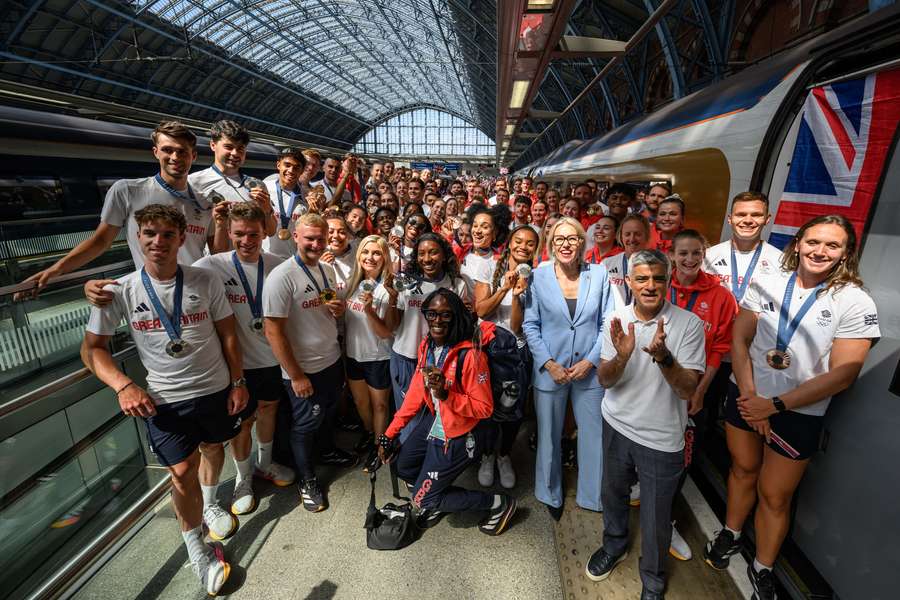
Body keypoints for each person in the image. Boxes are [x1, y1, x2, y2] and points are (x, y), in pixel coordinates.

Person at [703, 215, 879, 600]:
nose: (820, 251)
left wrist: (774, 405)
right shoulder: (768, 282)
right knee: (743, 469)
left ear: (846, 252)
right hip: (747, 397)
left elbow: (843, 375)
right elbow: (740, 337)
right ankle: (731, 533)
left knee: (775, 495)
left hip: (798, 412)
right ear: (797, 243)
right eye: (813, 242)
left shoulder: (853, 300)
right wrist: (750, 397)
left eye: (832, 245)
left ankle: (763, 566)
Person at [81, 204, 248, 595]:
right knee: (180, 472)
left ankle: (210, 505)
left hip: (215, 389)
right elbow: (92, 351)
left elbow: (227, 335)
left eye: (167, 235)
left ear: (181, 238)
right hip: (164, 400)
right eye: (150, 234)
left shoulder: (204, 281)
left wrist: (238, 382)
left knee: (212, 449)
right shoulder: (119, 291)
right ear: (138, 237)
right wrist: (124, 385)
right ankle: (198, 550)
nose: (158, 242)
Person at [589, 249, 705, 600]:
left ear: (668, 282)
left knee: (656, 517)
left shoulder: (688, 324)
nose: (650, 285)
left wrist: (663, 357)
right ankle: (614, 546)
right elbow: (605, 381)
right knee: (613, 494)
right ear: (629, 282)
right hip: (617, 425)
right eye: (642, 278)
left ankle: (652, 580)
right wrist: (623, 355)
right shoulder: (617, 320)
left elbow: (688, 389)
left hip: (662, 437)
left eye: (658, 278)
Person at [22, 121, 226, 299]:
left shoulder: (205, 201)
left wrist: (221, 223)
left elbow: (217, 254)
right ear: (156, 152)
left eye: (182, 151)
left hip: (200, 291)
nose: (175, 157)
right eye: (167, 150)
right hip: (154, 293)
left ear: (194, 155)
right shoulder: (127, 191)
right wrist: (55, 270)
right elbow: (101, 242)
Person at [380, 289, 517, 535]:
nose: (437, 321)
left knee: (421, 500)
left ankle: (498, 503)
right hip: (436, 422)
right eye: (432, 314)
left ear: (456, 317)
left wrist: (446, 395)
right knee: (404, 465)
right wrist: (389, 434)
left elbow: (484, 408)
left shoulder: (471, 356)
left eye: (446, 315)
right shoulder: (427, 346)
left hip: (459, 435)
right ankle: (435, 491)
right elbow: (414, 394)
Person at [193, 202, 296, 518]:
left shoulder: (280, 263)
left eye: (253, 233)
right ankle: (243, 480)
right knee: (243, 422)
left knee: (268, 411)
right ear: (229, 232)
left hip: (270, 359)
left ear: (264, 232)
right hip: (235, 365)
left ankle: (264, 465)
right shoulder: (210, 265)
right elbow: (168, 277)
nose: (247, 240)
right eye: (239, 234)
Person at [263, 213, 357, 513]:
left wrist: (336, 307)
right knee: (304, 425)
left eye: (320, 238)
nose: (316, 244)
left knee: (327, 413)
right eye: (309, 238)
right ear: (295, 237)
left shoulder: (325, 269)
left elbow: (327, 302)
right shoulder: (281, 276)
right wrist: (296, 375)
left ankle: (326, 450)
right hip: (303, 370)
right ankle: (307, 479)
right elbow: (273, 330)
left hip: (329, 360)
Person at [522, 217, 614, 520]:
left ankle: (592, 495)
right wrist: (548, 363)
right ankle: (550, 492)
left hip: (588, 370)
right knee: (548, 435)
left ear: (582, 243)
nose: (565, 244)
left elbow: (607, 323)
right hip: (551, 370)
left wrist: (591, 360)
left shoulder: (600, 275)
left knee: (593, 435)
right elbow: (530, 325)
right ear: (550, 245)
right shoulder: (538, 276)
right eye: (559, 239)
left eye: (572, 238)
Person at [665, 229, 738, 560]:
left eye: (696, 253)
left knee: (681, 458)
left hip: (693, 392)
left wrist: (700, 392)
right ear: (672, 254)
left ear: (704, 253)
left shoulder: (722, 297)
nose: (690, 260)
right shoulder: (661, 286)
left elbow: (718, 351)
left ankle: (666, 520)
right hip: (653, 389)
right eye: (683, 253)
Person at [385, 233, 470, 441]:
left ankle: (432, 463)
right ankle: (409, 461)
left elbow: (462, 325)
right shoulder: (405, 283)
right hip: (407, 358)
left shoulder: (456, 285)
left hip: (441, 362)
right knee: (409, 418)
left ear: (444, 255)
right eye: (421, 253)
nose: (427, 258)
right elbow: (392, 325)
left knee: (439, 413)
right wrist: (392, 298)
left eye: (433, 252)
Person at [474, 224, 539, 489]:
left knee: (513, 409)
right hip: (488, 347)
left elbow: (516, 327)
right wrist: (503, 288)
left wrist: (516, 296)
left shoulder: (539, 276)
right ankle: (487, 456)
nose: (523, 246)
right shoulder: (488, 267)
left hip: (517, 350)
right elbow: (480, 310)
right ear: (510, 242)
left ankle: (504, 456)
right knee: (487, 406)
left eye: (530, 243)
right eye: (519, 241)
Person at [343, 235, 396, 469]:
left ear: (385, 257)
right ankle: (368, 433)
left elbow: (385, 332)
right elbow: (337, 309)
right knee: (360, 403)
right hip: (353, 355)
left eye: (376, 253)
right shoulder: (352, 283)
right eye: (366, 252)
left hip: (378, 357)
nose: (370, 257)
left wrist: (369, 311)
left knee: (380, 406)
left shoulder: (388, 289)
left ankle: (380, 445)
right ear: (359, 255)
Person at [188, 120, 276, 238]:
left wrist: (267, 209)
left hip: (250, 254)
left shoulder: (258, 186)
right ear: (213, 145)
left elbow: (270, 232)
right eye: (228, 147)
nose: (235, 153)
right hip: (215, 255)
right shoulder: (194, 182)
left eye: (240, 149)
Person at [264, 147, 308, 260]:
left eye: (297, 167)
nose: (291, 170)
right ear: (278, 165)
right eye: (287, 165)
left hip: (292, 258)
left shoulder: (307, 196)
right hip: (265, 255)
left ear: (302, 171)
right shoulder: (264, 188)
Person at [602, 214, 651, 307]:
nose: (632, 239)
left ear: (646, 236)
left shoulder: (656, 266)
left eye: (638, 234)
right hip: (614, 319)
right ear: (621, 236)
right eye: (627, 234)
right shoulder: (606, 264)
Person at [320, 215, 355, 294]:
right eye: (330, 232)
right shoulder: (313, 260)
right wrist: (319, 270)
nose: (335, 236)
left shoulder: (359, 257)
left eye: (342, 232)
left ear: (349, 236)